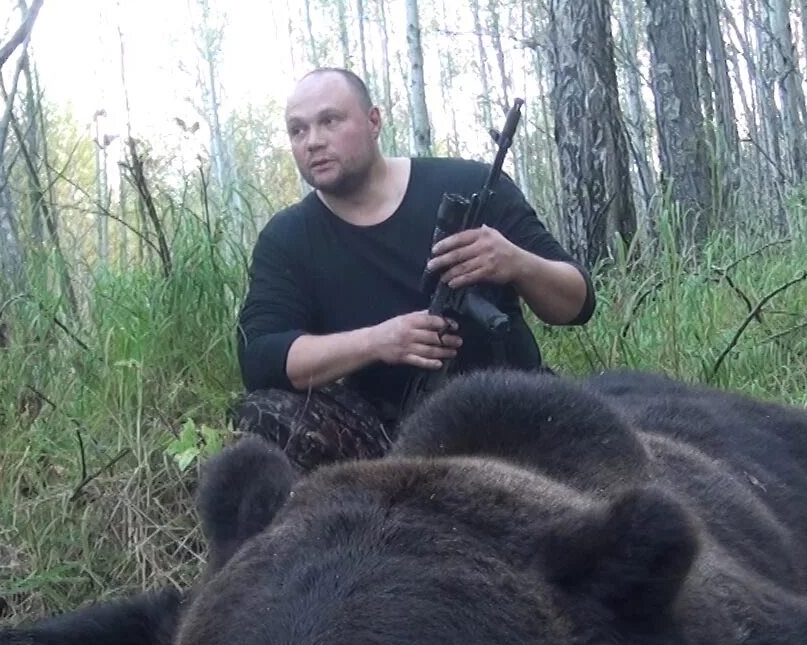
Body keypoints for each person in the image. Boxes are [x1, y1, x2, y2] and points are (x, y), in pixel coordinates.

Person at [232, 67, 595, 471]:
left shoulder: (472, 183)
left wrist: (516, 262)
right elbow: (260, 357)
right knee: (265, 413)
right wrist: (379, 341)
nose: (313, 141)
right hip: (382, 435)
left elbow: (577, 304)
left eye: (330, 121)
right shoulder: (288, 237)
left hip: (511, 408)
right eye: (297, 131)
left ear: (374, 122)